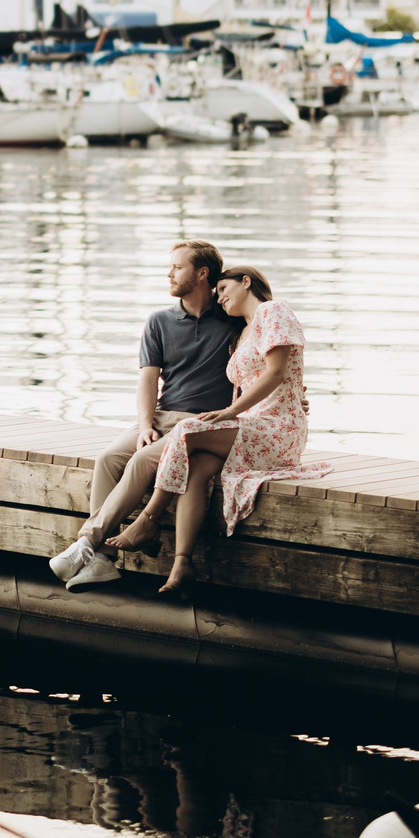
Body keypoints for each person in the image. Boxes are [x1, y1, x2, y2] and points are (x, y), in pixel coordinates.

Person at [104, 264, 324, 593]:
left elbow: (277, 373)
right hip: (251, 426)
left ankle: (147, 521)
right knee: (197, 469)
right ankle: (182, 564)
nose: (219, 298)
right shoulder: (241, 333)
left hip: (278, 427)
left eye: (224, 289)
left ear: (246, 282)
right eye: (216, 292)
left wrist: (230, 412)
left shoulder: (272, 311)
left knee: (187, 432)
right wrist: (236, 411)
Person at [48, 239, 240, 589]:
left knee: (140, 463)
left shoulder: (232, 320)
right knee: (108, 458)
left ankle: (89, 543)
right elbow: (148, 380)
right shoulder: (159, 321)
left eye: (177, 267)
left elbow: (264, 364)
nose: (169, 273)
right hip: (162, 414)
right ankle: (104, 560)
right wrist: (146, 424)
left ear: (202, 273)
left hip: (201, 424)